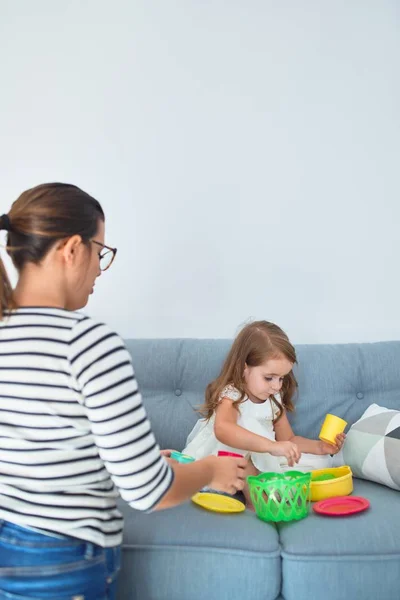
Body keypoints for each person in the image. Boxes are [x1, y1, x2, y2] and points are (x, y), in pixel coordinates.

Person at [0, 183, 246, 599]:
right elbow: (149, 492)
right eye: (101, 252)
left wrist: (133, 463)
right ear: (72, 249)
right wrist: (210, 471)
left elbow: (37, 459)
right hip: (63, 559)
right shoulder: (87, 342)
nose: (99, 268)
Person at [182, 321, 345, 507]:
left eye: (281, 378)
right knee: (246, 441)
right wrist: (270, 446)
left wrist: (320, 447)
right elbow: (223, 429)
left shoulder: (274, 398)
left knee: (323, 462)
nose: (276, 386)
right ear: (245, 368)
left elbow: (289, 439)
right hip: (225, 459)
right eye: (269, 378)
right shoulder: (233, 395)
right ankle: (257, 500)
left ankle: (269, 483)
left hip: (264, 457)